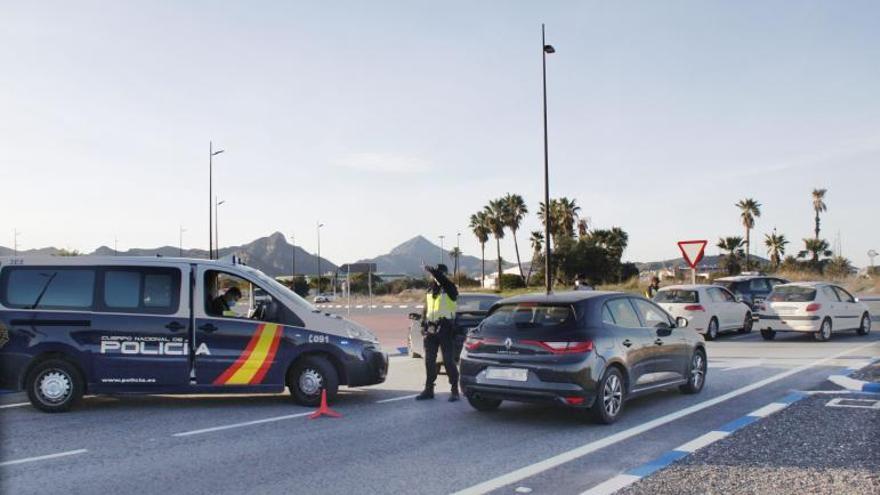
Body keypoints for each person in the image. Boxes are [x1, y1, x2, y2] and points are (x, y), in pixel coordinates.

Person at [416, 264, 460, 402]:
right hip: (431, 330)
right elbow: (426, 309)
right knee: (429, 361)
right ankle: (429, 389)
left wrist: (434, 272)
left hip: (446, 328)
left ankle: (454, 390)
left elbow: (443, 281)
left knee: (448, 361)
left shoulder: (450, 288)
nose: (434, 277)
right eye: (434, 275)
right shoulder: (430, 290)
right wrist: (423, 324)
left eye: (439, 274)